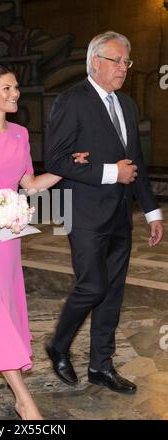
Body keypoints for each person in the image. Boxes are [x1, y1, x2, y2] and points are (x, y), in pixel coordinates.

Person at [0, 63, 88, 420]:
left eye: (16, 88)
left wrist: (66, 166)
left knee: (2, 309)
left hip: (7, 234)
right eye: (6, 88)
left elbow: (30, 185)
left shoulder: (20, 134)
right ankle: (24, 399)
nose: (14, 94)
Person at [44, 31, 164, 394]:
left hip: (119, 216)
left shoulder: (127, 105)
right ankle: (58, 344)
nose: (123, 68)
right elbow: (56, 160)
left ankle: (101, 365)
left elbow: (136, 162)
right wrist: (112, 171)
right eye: (116, 61)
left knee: (112, 292)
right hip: (81, 212)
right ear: (95, 61)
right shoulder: (71, 100)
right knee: (92, 285)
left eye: (126, 62)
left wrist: (152, 211)